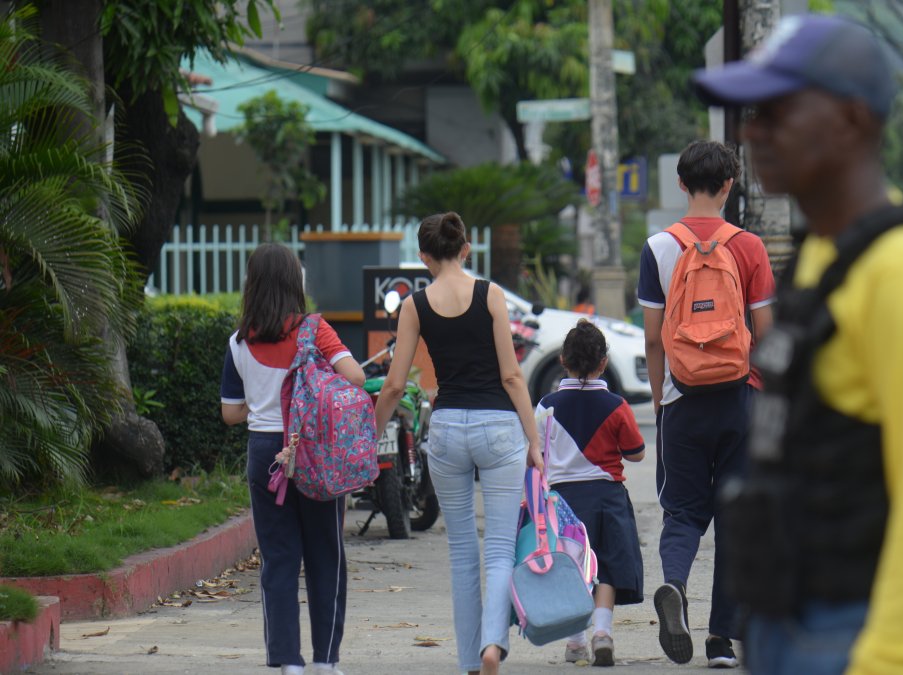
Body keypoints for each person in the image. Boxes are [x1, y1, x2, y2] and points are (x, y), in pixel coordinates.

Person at [692, 14, 903, 675]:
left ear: (852, 119)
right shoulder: (823, 255)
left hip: (862, 634)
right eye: (749, 111)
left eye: (777, 109)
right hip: (790, 623)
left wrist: (894, 658)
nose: (750, 129)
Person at [372, 212, 542, 675]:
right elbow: (511, 374)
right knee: (501, 546)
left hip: (447, 429)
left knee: (463, 549)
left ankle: (471, 660)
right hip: (499, 429)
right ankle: (494, 644)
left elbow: (393, 385)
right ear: (465, 249)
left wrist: (370, 436)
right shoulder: (491, 294)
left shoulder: (416, 305)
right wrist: (534, 440)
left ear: (425, 257)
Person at [636, 140, 776, 668]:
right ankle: (721, 640)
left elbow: (653, 337)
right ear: (728, 186)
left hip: (682, 398)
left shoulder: (657, 247)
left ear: (680, 184)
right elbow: (766, 331)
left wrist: (660, 395)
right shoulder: (749, 247)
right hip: (742, 397)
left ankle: (674, 585)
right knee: (734, 516)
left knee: (683, 512)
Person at [219, 243, 365, 675]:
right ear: (293, 283)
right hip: (314, 449)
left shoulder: (238, 341)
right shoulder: (315, 330)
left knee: (278, 559)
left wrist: (262, 403)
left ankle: (288, 662)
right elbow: (354, 377)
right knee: (326, 555)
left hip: (266, 452)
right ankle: (326, 661)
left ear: (252, 285)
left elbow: (230, 413)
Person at [536, 319, 646, 667]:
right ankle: (602, 632)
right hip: (607, 498)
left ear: (563, 361)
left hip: (562, 502)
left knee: (571, 568)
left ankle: (575, 642)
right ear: (603, 363)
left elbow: (535, 454)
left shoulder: (546, 405)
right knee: (608, 568)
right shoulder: (616, 405)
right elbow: (637, 451)